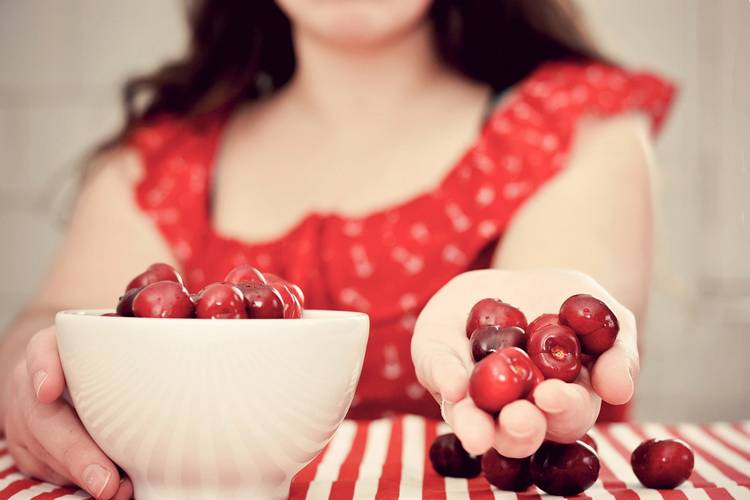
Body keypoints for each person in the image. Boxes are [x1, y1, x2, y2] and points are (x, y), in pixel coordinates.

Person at [0, 0, 674, 498]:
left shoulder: (576, 124)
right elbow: (49, 325)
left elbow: (565, 302)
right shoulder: (162, 162)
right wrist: (34, 383)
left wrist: (531, 330)